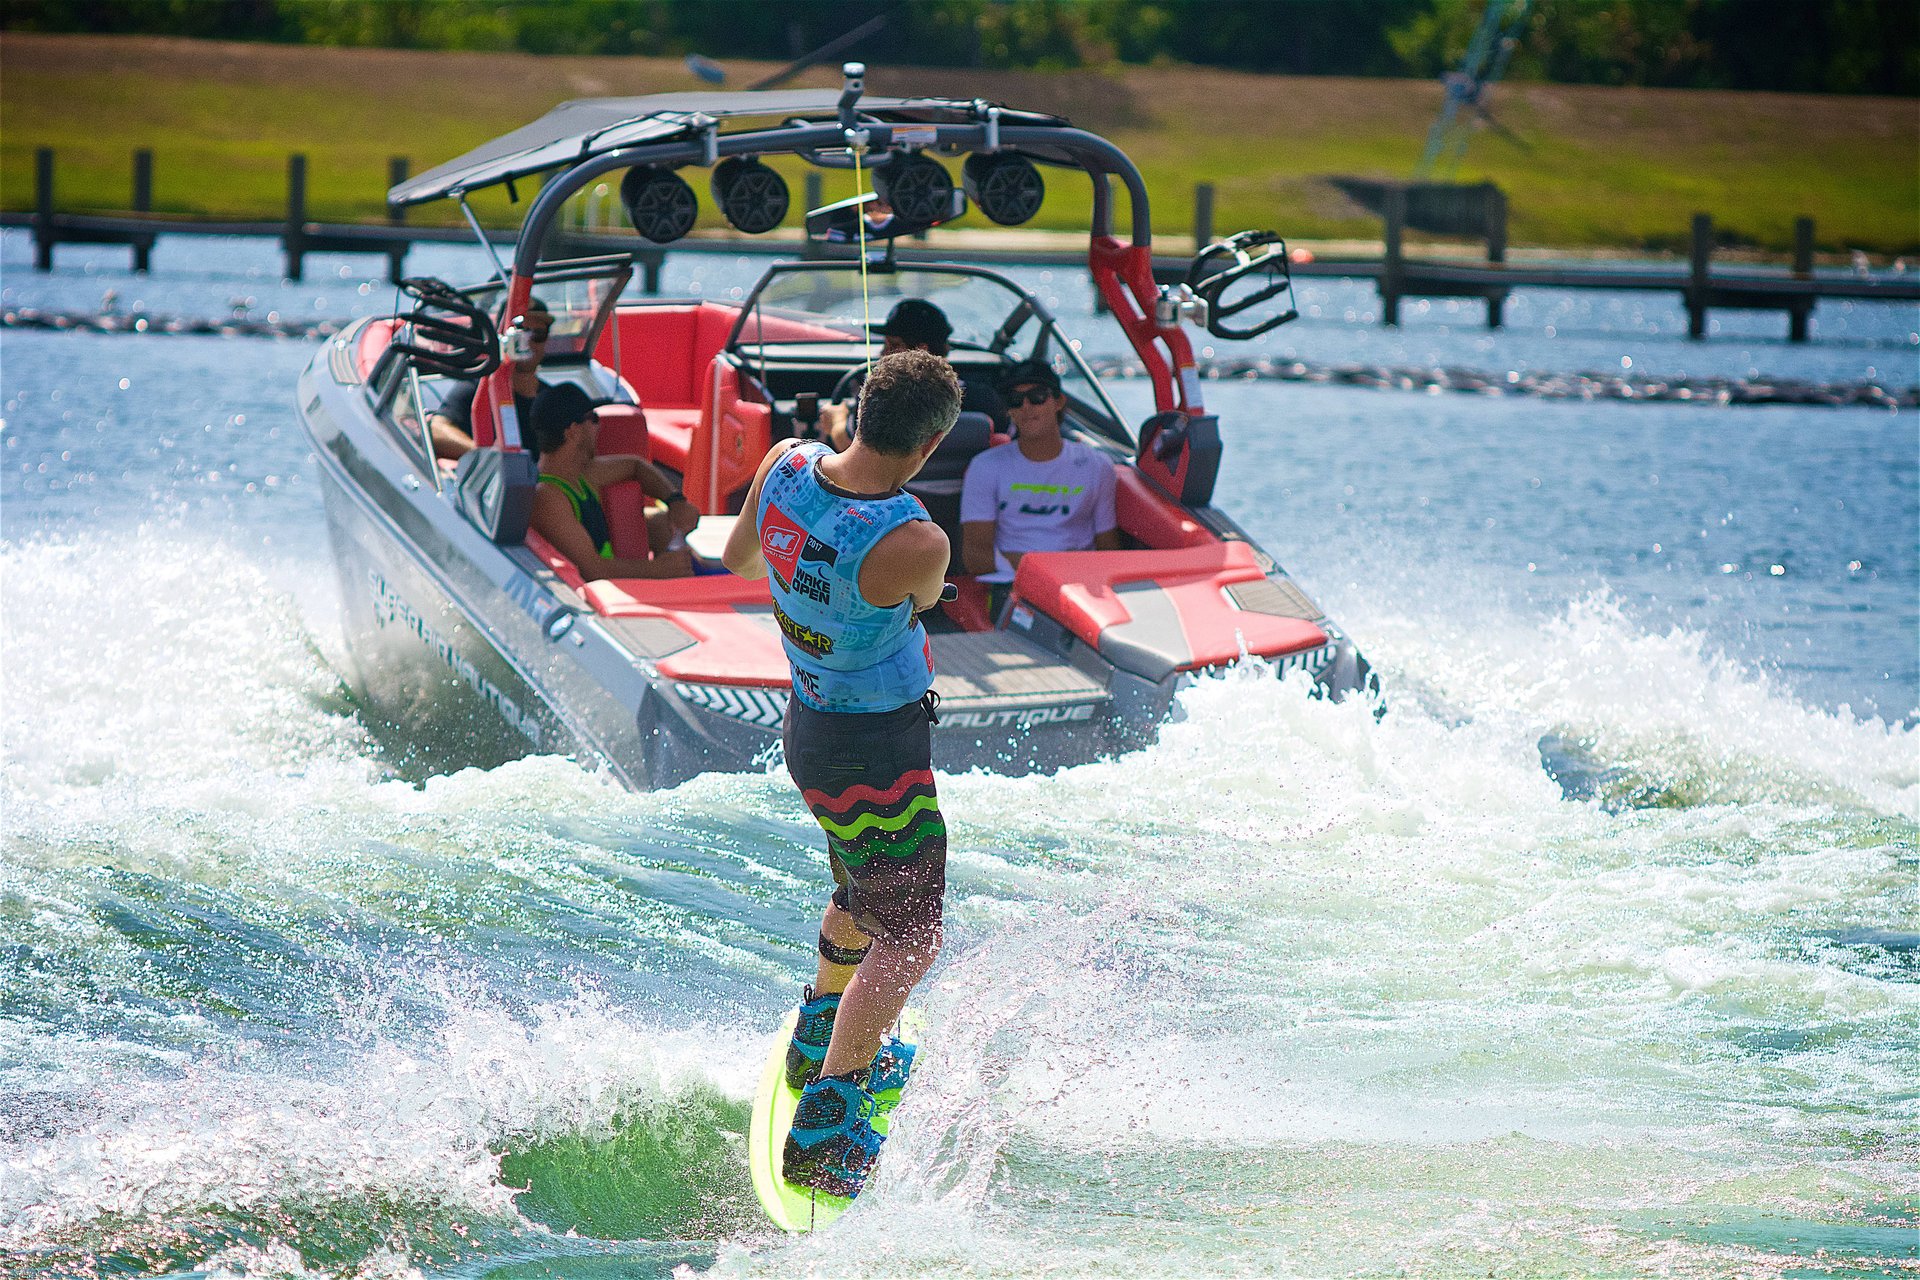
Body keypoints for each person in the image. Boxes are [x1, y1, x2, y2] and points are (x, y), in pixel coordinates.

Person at [721, 350, 961, 1198]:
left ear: (858, 409)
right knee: (912, 932)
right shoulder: (916, 540)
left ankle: (821, 1024)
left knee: (862, 888)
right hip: (879, 750)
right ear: (929, 445)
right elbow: (924, 599)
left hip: (812, 731)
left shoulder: (785, 464)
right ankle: (831, 1112)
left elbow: (741, 560)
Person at [960, 359, 1121, 616]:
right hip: (1012, 585)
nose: (1026, 406)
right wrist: (1048, 570)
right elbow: (976, 558)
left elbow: (1109, 549)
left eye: (1037, 396)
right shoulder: (984, 467)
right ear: (1009, 410)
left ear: (1059, 401)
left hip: (1081, 585)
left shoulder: (1097, 465)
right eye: (1015, 400)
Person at [528, 383, 698, 581]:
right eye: (593, 419)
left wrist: (675, 501)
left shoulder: (579, 474)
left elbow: (635, 466)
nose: (599, 426)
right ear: (573, 431)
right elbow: (593, 570)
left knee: (663, 524)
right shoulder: (548, 497)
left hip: (611, 586)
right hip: (595, 594)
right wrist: (657, 570)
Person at [820, 298, 1007, 448]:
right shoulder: (985, 400)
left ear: (921, 350)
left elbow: (861, 465)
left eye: (893, 345)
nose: (883, 353)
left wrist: (836, 424)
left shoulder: (882, 401)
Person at [430, 297, 554, 461]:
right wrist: (488, 459)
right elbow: (436, 430)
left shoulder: (553, 401)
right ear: (502, 338)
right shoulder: (477, 389)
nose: (528, 342)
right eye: (520, 334)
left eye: (538, 334)